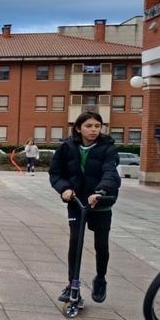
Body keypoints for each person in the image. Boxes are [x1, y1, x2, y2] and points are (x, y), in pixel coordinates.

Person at [48, 111, 120, 305]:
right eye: (89, 126)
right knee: (75, 243)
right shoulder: (65, 147)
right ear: (79, 128)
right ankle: (73, 284)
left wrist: (101, 192)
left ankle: (100, 279)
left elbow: (110, 173)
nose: (94, 130)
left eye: (97, 126)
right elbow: (55, 173)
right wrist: (64, 189)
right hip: (77, 202)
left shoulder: (108, 148)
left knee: (101, 246)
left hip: (100, 202)